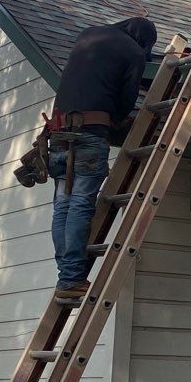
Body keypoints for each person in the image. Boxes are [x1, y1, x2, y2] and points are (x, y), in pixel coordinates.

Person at [48, 17, 158, 299]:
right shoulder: (133, 53)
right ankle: (71, 278)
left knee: (63, 205)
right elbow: (126, 99)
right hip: (90, 134)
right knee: (81, 204)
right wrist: (119, 121)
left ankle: (66, 275)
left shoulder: (88, 35)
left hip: (59, 134)